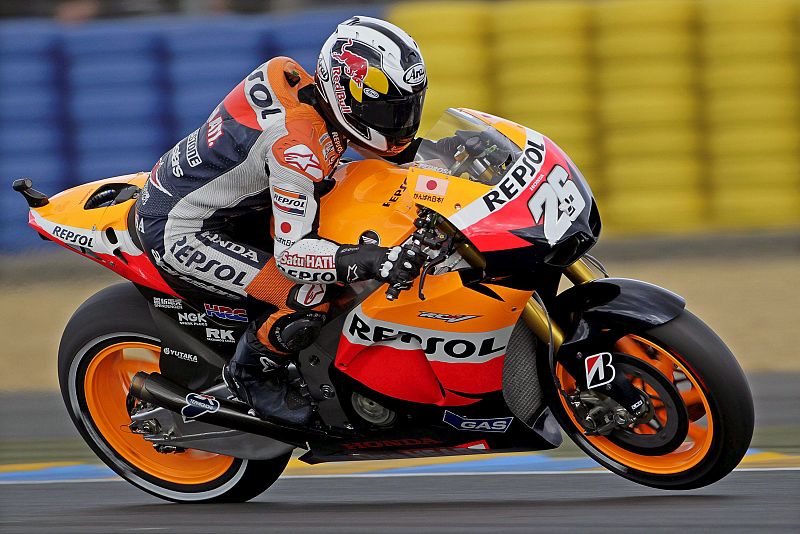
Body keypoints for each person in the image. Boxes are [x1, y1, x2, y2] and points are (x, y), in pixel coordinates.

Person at [134, 16, 428, 425]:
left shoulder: (291, 76)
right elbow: (293, 258)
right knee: (308, 293)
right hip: (183, 231)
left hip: (224, 201)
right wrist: (375, 260)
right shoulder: (297, 149)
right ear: (345, 97)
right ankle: (249, 375)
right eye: (386, 111)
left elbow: (383, 150)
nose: (398, 123)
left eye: (406, 109)